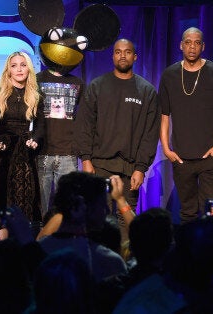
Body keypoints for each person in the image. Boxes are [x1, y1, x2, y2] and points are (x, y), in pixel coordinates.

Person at [74, 38, 159, 241]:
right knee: (98, 217)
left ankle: (124, 262)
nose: (123, 55)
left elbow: (150, 133)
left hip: (130, 170)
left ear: (135, 56)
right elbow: (84, 125)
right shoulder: (97, 86)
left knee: (125, 219)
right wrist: (85, 159)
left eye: (127, 52)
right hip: (99, 166)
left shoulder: (146, 91)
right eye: (118, 52)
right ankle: (99, 263)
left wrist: (140, 168)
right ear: (113, 56)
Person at [158, 27, 213, 223]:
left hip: (210, 156)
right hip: (181, 157)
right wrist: (167, 150)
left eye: (196, 43)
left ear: (203, 46)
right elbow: (164, 116)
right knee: (187, 212)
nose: (192, 46)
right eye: (188, 42)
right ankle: (191, 252)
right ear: (181, 45)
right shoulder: (169, 75)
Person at [0, 51, 45, 223]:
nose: (19, 69)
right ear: (8, 70)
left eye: (23, 65)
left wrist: (35, 140)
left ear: (29, 69)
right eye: (14, 66)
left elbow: (40, 126)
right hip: (2, 149)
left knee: (23, 197)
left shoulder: (36, 95)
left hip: (24, 151)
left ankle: (21, 238)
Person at [35, 68, 84, 221]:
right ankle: (39, 241)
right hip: (41, 153)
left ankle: (65, 242)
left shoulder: (78, 83)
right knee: (38, 208)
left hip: (68, 154)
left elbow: (86, 118)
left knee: (68, 208)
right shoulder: (36, 79)